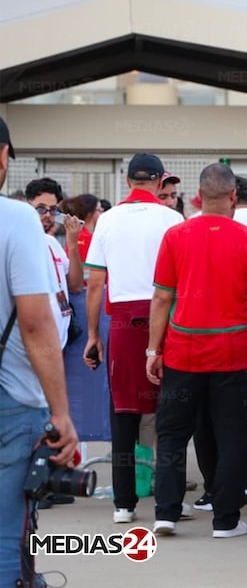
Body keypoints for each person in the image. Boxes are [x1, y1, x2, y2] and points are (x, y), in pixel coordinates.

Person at [146, 163, 247, 538]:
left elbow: (161, 297)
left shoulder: (176, 235)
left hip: (183, 351)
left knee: (172, 434)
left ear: (199, 197)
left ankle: (166, 513)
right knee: (232, 435)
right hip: (232, 353)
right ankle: (225, 520)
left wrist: (153, 350)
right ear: (234, 196)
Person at [83, 153, 184, 524]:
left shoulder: (107, 220)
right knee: (171, 416)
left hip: (123, 324)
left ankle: (124, 504)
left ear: (127, 182)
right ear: (160, 183)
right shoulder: (173, 219)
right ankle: (167, 508)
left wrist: (94, 334)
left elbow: (95, 284)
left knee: (123, 415)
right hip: (167, 318)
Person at [0, 119, 79, 587]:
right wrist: (62, 412)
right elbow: (35, 320)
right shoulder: (15, 219)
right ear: (4, 155)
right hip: (12, 403)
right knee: (9, 538)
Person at [26, 178, 84, 350]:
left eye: (53, 210)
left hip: (58, 342)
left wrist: (72, 243)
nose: (47, 215)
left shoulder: (52, 243)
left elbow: (75, 285)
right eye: (41, 208)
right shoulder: (15, 242)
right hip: (30, 346)